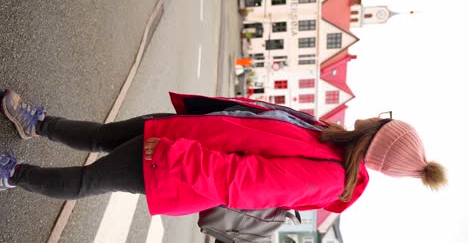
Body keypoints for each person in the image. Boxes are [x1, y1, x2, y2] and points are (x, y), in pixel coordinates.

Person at [0, 90, 447, 216]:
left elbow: (240, 184)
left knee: (87, 181)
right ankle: (36, 124)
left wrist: (171, 155)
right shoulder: (328, 135)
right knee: (101, 134)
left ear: (380, 140)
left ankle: (13, 174)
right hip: (183, 133)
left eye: (384, 121)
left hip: (172, 163)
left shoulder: (329, 176)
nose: (375, 116)